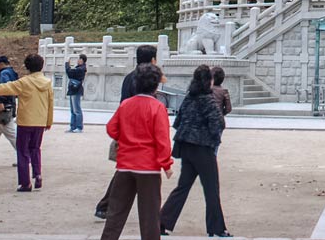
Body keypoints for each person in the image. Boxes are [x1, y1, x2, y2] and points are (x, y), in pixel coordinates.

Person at [100, 64, 173, 240]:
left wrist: (124, 137)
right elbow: (162, 139)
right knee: (149, 215)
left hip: (125, 164)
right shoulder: (157, 108)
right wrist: (166, 164)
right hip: (148, 167)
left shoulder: (126, 104)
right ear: (156, 85)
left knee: (116, 213)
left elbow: (111, 128)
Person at [159, 65, 230, 238]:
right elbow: (218, 123)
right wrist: (214, 139)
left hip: (186, 146)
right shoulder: (207, 99)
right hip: (203, 147)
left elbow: (178, 121)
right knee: (211, 188)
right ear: (209, 81)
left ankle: (162, 221)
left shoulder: (189, 97)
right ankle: (216, 227)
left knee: (182, 187)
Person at [96, 44, 160, 220]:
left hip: (127, 129)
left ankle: (106, 206)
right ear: (153, 60)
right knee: (130, 174)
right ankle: (107, 206)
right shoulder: (144, 79)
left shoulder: (130, 77)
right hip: (136, 133)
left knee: (125, 172)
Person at [0, 53, 53, 190]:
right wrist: (49, 120)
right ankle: (38, 175)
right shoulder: (47, 82)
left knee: (23, 151)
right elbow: (50, 102)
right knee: (36, 149)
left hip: (26, 121)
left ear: (27, 67)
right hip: (40, 121)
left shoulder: (24, 82)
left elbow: (5, 87)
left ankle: (25, 183)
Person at [66, 54, 87, 133]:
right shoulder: (79, 68)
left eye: (79, 59)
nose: (78, 60)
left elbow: (69, 72)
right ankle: (73, 126)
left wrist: (67, 64)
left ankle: (79, 127)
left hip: (76, 90)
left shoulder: (81, 69)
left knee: (76, 109)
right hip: (73, 89)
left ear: (82, 60)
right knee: (73, 109)